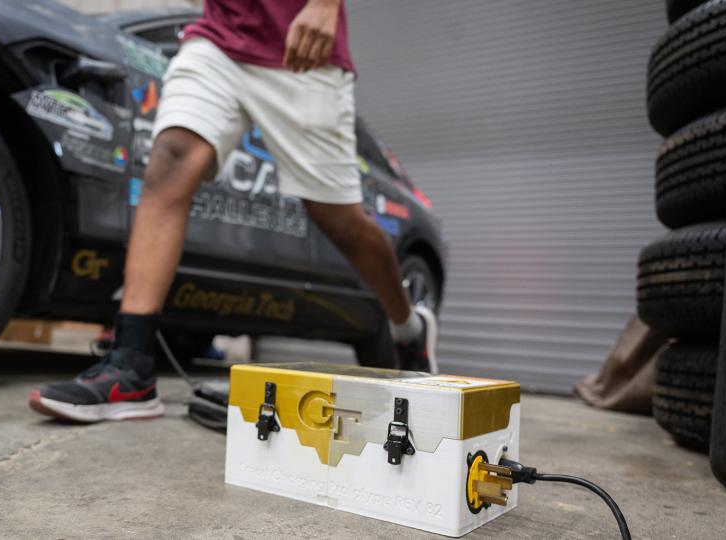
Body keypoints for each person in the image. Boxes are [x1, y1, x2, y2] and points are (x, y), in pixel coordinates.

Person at [28, 0, 439, 422]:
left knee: (339, 222)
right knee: (169, 161)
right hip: (219, 38)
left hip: (299, 47)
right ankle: (132, 367)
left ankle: (408, 328)